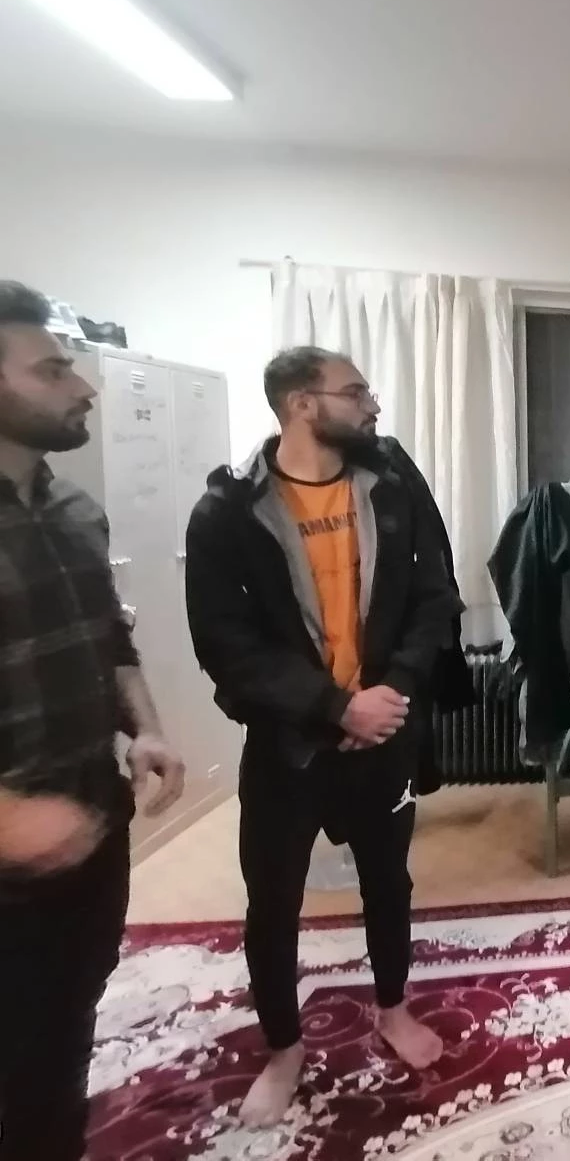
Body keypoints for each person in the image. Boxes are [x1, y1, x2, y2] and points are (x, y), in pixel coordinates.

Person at [184, 346, 461, 1126]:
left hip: (386, 733)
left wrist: (392, 693)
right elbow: (225, 643)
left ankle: (394, 1008)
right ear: (302, 404)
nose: (373, 405)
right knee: (273, 901)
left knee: (389, 883)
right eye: (356, 392)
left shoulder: (393, 483)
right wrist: (336, 708)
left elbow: (436, 595)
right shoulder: (229, 510)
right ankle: (283, 1049)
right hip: (291, 743)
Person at [0, 280, 185, 1160]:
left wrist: (145, 727)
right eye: (52, 370)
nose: (85, 387)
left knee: (62, 1028)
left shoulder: (75, 511)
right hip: (12, 838)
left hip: (87, 817)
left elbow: (110, 638)